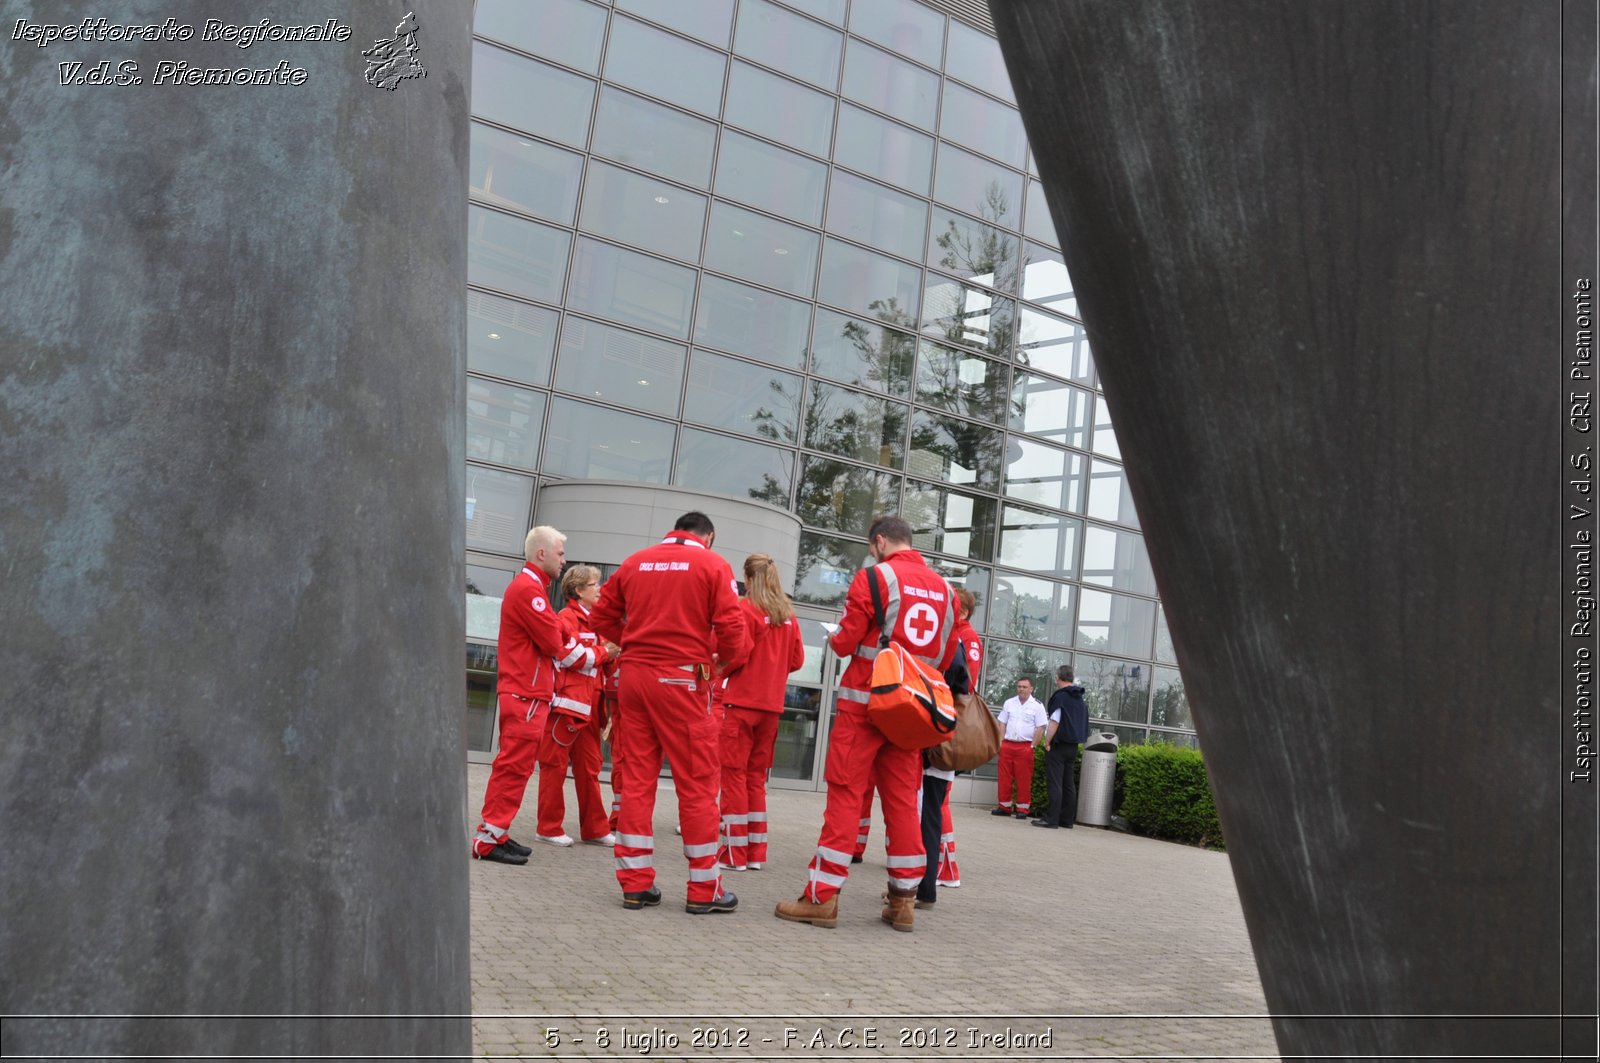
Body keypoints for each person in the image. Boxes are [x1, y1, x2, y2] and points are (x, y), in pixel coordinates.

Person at [775, 515, 957, 934]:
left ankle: (821, 898)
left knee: (845, 795)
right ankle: (903, 901)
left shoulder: (874, 579)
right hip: (912, 713)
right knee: (902, 803)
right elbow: (945, 659)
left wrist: (840, 638)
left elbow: (845, 640)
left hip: (865, 706)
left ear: (879, 543)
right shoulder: (946, 591)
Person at [591, 512, 751, 915]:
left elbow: (600, 617)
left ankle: (635, 884)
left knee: (637, 782)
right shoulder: (713, 564)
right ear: (708, 536)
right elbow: (732, 629)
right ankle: (704, 889)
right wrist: (722, 663)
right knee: (697, 783)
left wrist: (635, 643)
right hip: (682, 682)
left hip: (634, 679)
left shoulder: (635, 561)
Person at [471, 526, 595, 865]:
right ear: (541, 554)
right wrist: (594, 653)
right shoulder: (530, 591)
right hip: (526, 693)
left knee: (517, 766)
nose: (564, 561)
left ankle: (496, 832)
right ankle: (488, 840)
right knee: (514, 767)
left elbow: (554, 637)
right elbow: (554, 642)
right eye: (560, 554)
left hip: (530, 693)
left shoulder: (532, 589)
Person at [716, 554, 806, 872]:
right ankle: (755, 853)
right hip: (771, 707)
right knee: (755, 779)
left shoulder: (746, 608)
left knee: (733, 777)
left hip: (740, 703)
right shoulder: (788, 614)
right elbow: (797, 660)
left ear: (748, 578)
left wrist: (719, 668)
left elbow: (738, 653)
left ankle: (732, 854)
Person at [533, 565, 618, 847]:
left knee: (590, 768)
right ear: (579, 590)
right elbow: (569, 656)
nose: (601, 589)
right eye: (595, 584)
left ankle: (595, 829)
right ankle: (548, 827)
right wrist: (606, 652)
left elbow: (607, 659)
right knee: (554, 767)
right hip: (567, 707)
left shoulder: (599, 620)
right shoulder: (565, 619)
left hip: (593, 707)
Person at [913, 586, 983, 909]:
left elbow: (963, 686)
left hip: (938, 736)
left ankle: (926, 883)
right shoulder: (954, 639)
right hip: (942, 734)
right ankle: (927, 882)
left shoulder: (959, 640)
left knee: (930, 809)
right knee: (932, 809)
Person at [1035, 665, 1089, 829]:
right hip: (1073, 746)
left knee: (1055, 783)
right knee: (1068, 784)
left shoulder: (1060, 698)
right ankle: (1067, 820)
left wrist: (1047, 742)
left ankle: (1051, 820)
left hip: (1058, 745)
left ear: (1058, 677)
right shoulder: (1079, 699)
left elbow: (1054, 721)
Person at [993, 677, 1047, 818]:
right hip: (1008, 745)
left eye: (1024, 687)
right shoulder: (1009, 703)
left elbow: (1041, 727)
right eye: (1019, 686)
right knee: (1004, 777)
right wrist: (1000, 742)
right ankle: (1004, 807)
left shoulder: (1037, 706)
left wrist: (1032, 746)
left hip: (1025, 746)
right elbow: (1002, 723)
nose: (1021, 689)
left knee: (1023, 779)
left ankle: (1022, 809)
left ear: (1031, 689)